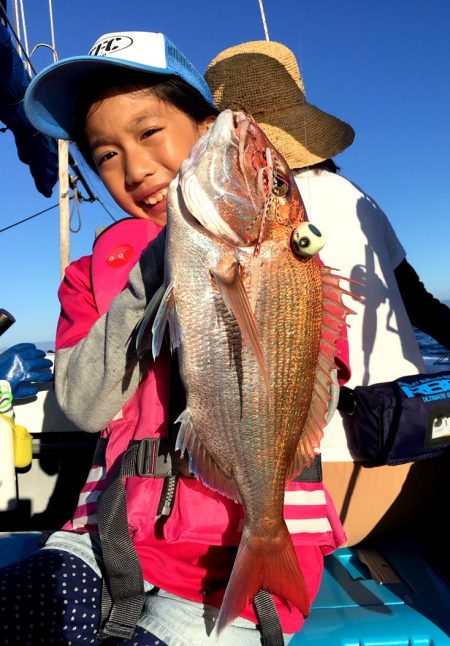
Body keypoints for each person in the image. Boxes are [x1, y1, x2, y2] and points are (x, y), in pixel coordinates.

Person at [0, 31, 350, 645]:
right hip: (100, 544)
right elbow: (82, 406)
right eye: (105, 155)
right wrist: (151, 273)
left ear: (206, 129)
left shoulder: (293, 269)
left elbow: (311, 385)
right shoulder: (90, 279)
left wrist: (212, 257)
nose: (134, 168)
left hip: (224, 567)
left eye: (150, 132)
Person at [205, 40, 450, 546]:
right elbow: (422, 307)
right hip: (421, 473)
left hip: (318, 497)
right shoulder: (357, 197)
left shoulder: (236, 221)